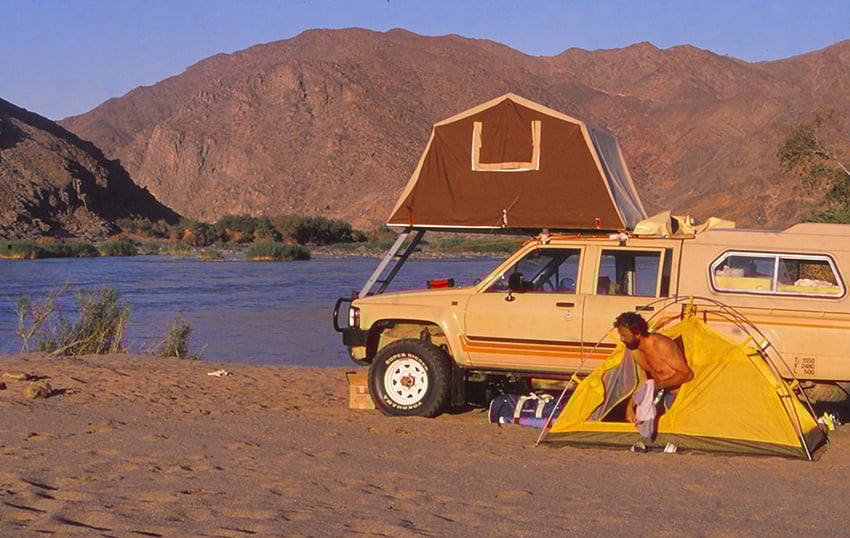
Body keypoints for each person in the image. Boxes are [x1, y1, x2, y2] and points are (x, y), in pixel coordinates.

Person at [613, 312, 694, 423]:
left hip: (682, 398)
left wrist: (658, 386)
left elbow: (687, 374)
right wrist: (630, 406)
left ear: (637, 333)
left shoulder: (660, 345)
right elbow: (643, 382)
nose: (621, 339)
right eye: (620, 335)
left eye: (625, 336)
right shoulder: (634, 351)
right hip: (665, 397)